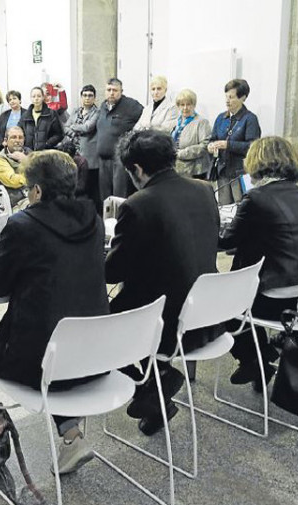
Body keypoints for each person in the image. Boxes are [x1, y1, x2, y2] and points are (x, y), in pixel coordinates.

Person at [0, 150, 108, 475]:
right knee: (55, 346)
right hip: (97, 355)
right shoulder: (94, 219)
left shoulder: (23, 224)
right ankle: (71, 435)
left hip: (46, 363)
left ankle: (65, 436)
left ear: (35, 191)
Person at [107, 129, 222, 435]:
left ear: (138, 169)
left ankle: (151, 382)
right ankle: (156, 380)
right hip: (207, 312)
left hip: (164, 322)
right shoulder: (204, 189)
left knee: (92, 323)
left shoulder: (138, 204)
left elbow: (113, 272)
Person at [218, 136, 298, 389]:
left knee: (217, 301)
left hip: (278, 302)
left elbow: (226, 242)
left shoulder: (256, 198)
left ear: (255, 161)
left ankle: (255, 358)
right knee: (243, 286)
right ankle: (261, 355)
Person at [208, 79, 261, 205]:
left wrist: (228, 145)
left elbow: (253, 147)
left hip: (241, 173)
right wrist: (210, 146)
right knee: (224, 207)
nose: (227, 101)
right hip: (222, 171)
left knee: (242, 206)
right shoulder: (221, 118)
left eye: (231, 97)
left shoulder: (250, 119)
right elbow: (212, 139)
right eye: (226, 97)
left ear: (243, 98)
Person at [96, 78, 143, 199]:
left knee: (119, 195)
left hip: (120, 159)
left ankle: (121, 217)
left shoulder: (131, 106)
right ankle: (106, 218)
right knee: (105, 196)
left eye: (115, 90)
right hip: (103, 159)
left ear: (121, 91)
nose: (111, 93)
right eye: (109, 90)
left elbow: (146, 121)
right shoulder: (103, 106)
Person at [61, 85, 100, 203]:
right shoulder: (75, 111)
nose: (87, 98)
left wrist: (73, 127)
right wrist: (75, 131)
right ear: (81, 97)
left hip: (88, 156)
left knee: (89, 188)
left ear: (94, 98)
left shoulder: (97, 112)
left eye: (90, 96)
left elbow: (88, 127)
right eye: (84, 95)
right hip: (74, 154)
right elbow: (65, 127)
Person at [170, 89, 212, 178]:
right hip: (176, 169)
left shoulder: (202, 122)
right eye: (182, 105)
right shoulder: (175, 122)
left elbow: (204, 146)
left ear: (194, 105)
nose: (185, 108)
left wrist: (182, 153)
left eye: (188, 104)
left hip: (195, 170)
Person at [0, 126, 31, 208]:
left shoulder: (29, 153)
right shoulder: (1, 159)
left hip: (35, 196)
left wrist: (26, 160)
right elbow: (13, 181)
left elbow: (44, 172)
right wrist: (32, 174)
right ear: (5, 141)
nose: (17, 141)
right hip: (17, 201)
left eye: (20, 138)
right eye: (13, 137)